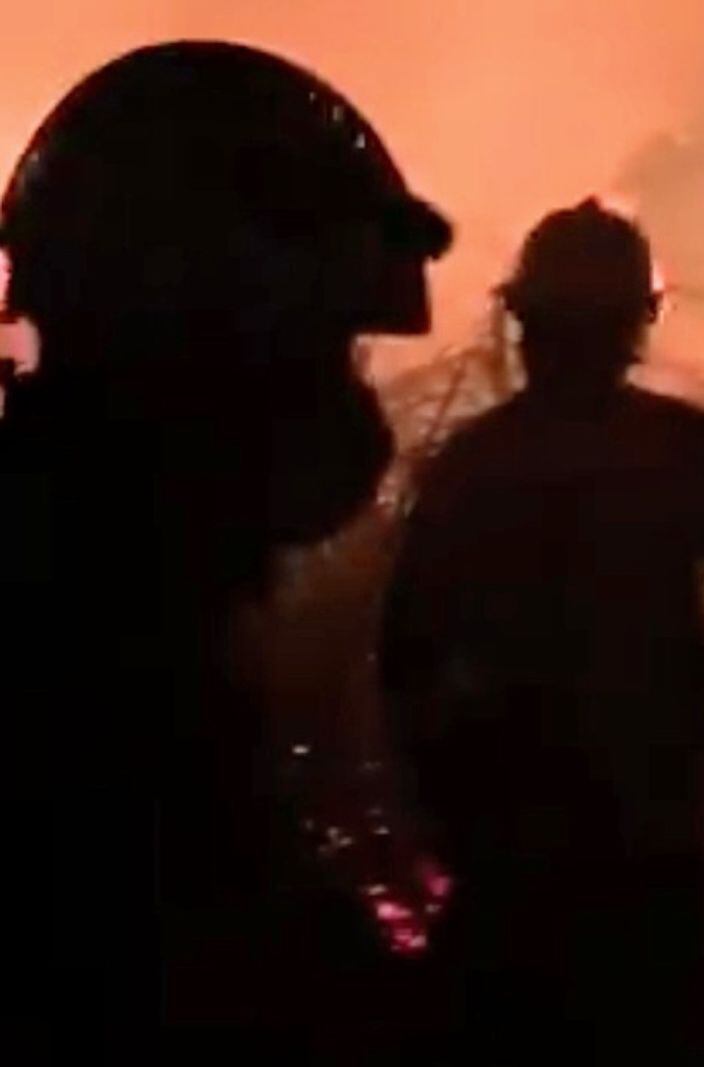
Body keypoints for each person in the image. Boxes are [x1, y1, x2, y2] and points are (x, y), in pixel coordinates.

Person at [0, 41, 450, 1061]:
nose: (355, 402)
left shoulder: (103, 563)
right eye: (329, 345)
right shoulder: (93, 625)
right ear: (212, 332)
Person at [379, 199, 704, 1063]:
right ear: (639, 324)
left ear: (522, 323)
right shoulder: (684, 451)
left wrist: (444, 799)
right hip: (647, 841)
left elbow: (405, 663)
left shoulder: (471, 467)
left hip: (506, 849)